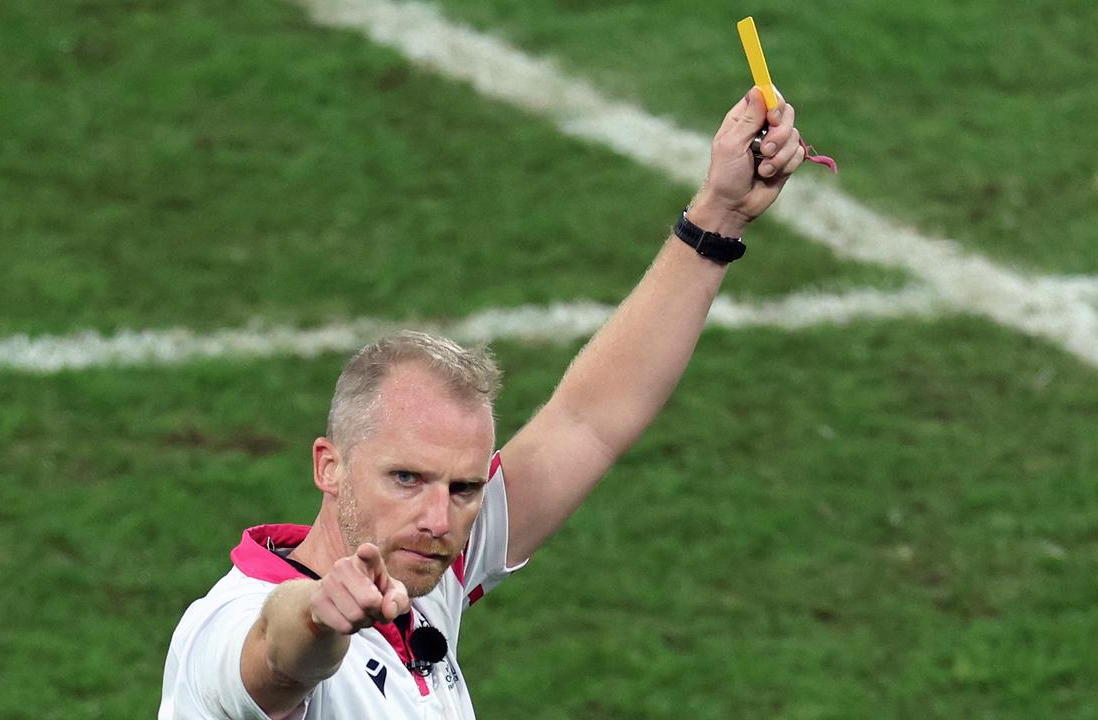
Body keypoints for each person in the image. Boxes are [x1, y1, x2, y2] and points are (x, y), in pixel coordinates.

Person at [159, 86, 809, 719]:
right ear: (329, 465)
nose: (439, 518)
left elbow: (589, 422)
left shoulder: (424, 571)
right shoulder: (227, 625)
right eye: (406, 478)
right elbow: (277, 657)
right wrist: (318, 617)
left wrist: (720, 215)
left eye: (465, 488)